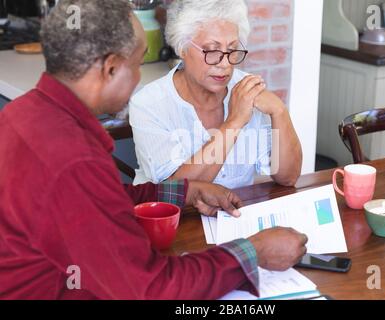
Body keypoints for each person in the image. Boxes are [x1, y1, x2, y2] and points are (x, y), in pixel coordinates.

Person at [0, 0, 308, 300]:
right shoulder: (74, 159)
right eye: (136, 65)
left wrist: (183, 192)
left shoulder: (21, 113)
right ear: (110, 69)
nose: (137, 79)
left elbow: (103, 201)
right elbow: (149, 289)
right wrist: (254, 252)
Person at [129, 0, 302, 189]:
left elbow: (288, 178)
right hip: (178, 218)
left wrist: (279, 111)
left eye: (232, 49)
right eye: (212, 50)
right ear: (182, 48)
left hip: (235, 214)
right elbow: (173, 191)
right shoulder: (148, 103)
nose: (225, 64)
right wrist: (234, 123)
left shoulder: (247, 91)